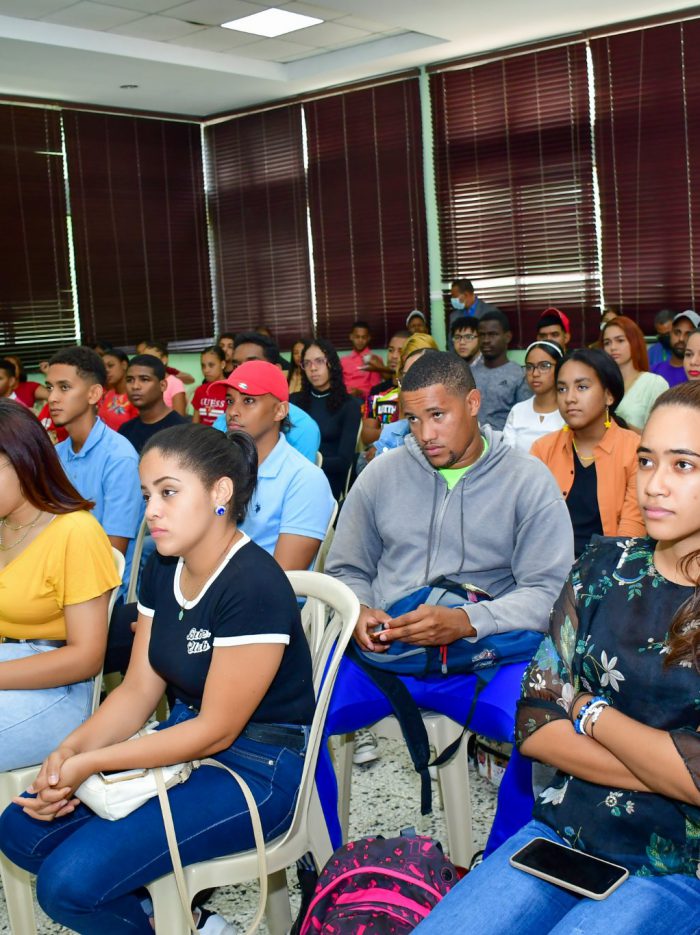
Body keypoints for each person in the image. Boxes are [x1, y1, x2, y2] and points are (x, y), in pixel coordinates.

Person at [0, 424, 315, 935]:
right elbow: (138, 689)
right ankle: (176, 918)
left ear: (220, 492)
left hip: (257, 768)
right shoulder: (165, 568)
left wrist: (92, 762)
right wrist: (70, 750)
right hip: (182, 742)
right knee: (20, 831)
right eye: (148, 495)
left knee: (67, 885)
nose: (151, 511)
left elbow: (217, 730)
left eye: (168, 492)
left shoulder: (253, 583)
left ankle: (166, 918)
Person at [415, 382, 700, 935]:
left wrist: (589, 712)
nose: (654, 483)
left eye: (683, 465)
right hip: (563, 832)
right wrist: (667, 769)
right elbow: (536, 725)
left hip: (680, 861)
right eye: (646, 460)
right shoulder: (603, 567)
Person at [325, 349, 573, 681]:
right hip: (387, 653)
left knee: (532, 711)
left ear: (473, 403)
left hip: (485, 657)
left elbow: (548, 592)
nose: (425, 434)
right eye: (414, 419)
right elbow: (346, 568)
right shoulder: (381, 474)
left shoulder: (527, 480)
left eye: (437, 415)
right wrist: (359, 608)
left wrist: (468, 620)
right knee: (316, 706)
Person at [0, 399, 120, 771]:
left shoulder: (75, 532)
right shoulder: (5, 524)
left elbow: (86, 658)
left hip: (58, 689)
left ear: (24, 460)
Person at [214, 360, 335, 568]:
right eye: (229, 401)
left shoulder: (304, 479)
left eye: (248, 401)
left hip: (259, 586)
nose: (233, 411)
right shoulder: (219, 467)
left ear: (280, 411)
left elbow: (284, 576)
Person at [531, 348, 645, 557]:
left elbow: (632, 529)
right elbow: (531, 522)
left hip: (611, 565)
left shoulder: (634, 450)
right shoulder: (543, 449)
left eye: (582, 387)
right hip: (551, 564)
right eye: (562, 389)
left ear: (609, 395)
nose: (569, 398)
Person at [47, 346, 142, 594]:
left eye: (64, 387)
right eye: (49, 387)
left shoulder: (119, 458)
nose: (52, 398)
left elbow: (113, 553)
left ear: (94, 394)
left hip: (102, 589)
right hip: (59, 577)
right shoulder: (55, 455)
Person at [211, 332, 321, 462]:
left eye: (253, 365)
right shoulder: (222, 423)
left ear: (277, 371)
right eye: (236, 366)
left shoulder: (303, 428)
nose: (241, 372)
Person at [291, 338, 362, 500]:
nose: (313, 368)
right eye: (307, 363)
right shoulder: (294, 402)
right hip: (293, 476)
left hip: (326, 478)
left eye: (319, 361)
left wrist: (308, 463)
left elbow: (344, 461)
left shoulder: (349, 405)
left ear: (332, 363)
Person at [601, 315, 668, 431]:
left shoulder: (654, 383)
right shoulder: (599, 385)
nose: (613, 347)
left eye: (620, 340)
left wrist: (622, 426)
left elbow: (662, 434)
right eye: (607, 343)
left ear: (634, 342)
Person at [472, 310, 532, 430]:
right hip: (472, 439)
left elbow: (524, 418)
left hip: (505, 439)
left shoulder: (519, 375)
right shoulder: (469, 373)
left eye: (493, 334)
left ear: (507, 337)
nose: (486, 340)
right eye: (482, 335)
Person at [502, 341, 565, 453]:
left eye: (544, 366)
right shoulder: (518, 410)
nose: (535, 373)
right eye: (529, 367)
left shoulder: (569, 411)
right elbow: (507, 455)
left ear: (560, 368)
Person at [118, 355, 187, 454]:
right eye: (130, 380)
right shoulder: (125, 430)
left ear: (162, 385)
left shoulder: (181, 431)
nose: (135, 386)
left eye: (144, 379)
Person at [361, 330, 410, 448]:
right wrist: (399, 432)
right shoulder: (376, 391)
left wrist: (383, 433)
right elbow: (366, 436)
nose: (394, 356)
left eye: (400, 351)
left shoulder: (415, 391)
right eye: (391, 350)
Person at [139, 340, 193, 416]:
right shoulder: (143, 383)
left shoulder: (174, 383)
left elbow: (179, 417)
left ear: (164, 360)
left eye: (152, 359)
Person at [340, 320, 385, 402]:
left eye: (363, 337)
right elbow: (338, 385)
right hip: (344, 399)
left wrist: (361, 393)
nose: (360, 340)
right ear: (351, 337)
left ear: (368, 338)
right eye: (357, 337)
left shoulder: (375, 360)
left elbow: (375, 389)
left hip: (364, 401)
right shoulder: (343, 361)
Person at [652, 310, 699, 387]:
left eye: (688, 334)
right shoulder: (654, 372)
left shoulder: (695, 373)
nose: (681, 339)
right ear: (670, 333)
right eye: (677, 332)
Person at [98, 349, 138, 431]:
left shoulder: (136, 396)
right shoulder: (106, 394)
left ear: (124, 365)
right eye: (103, 368)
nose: (106, 370)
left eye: (110, 365)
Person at [191, 346, 227, 426]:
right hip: (202, 433)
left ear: (222, 364)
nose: (206, 370)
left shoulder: (231, 390)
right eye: (203, 366)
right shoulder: (200, 390)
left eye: (211, 365)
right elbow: (195, 424)